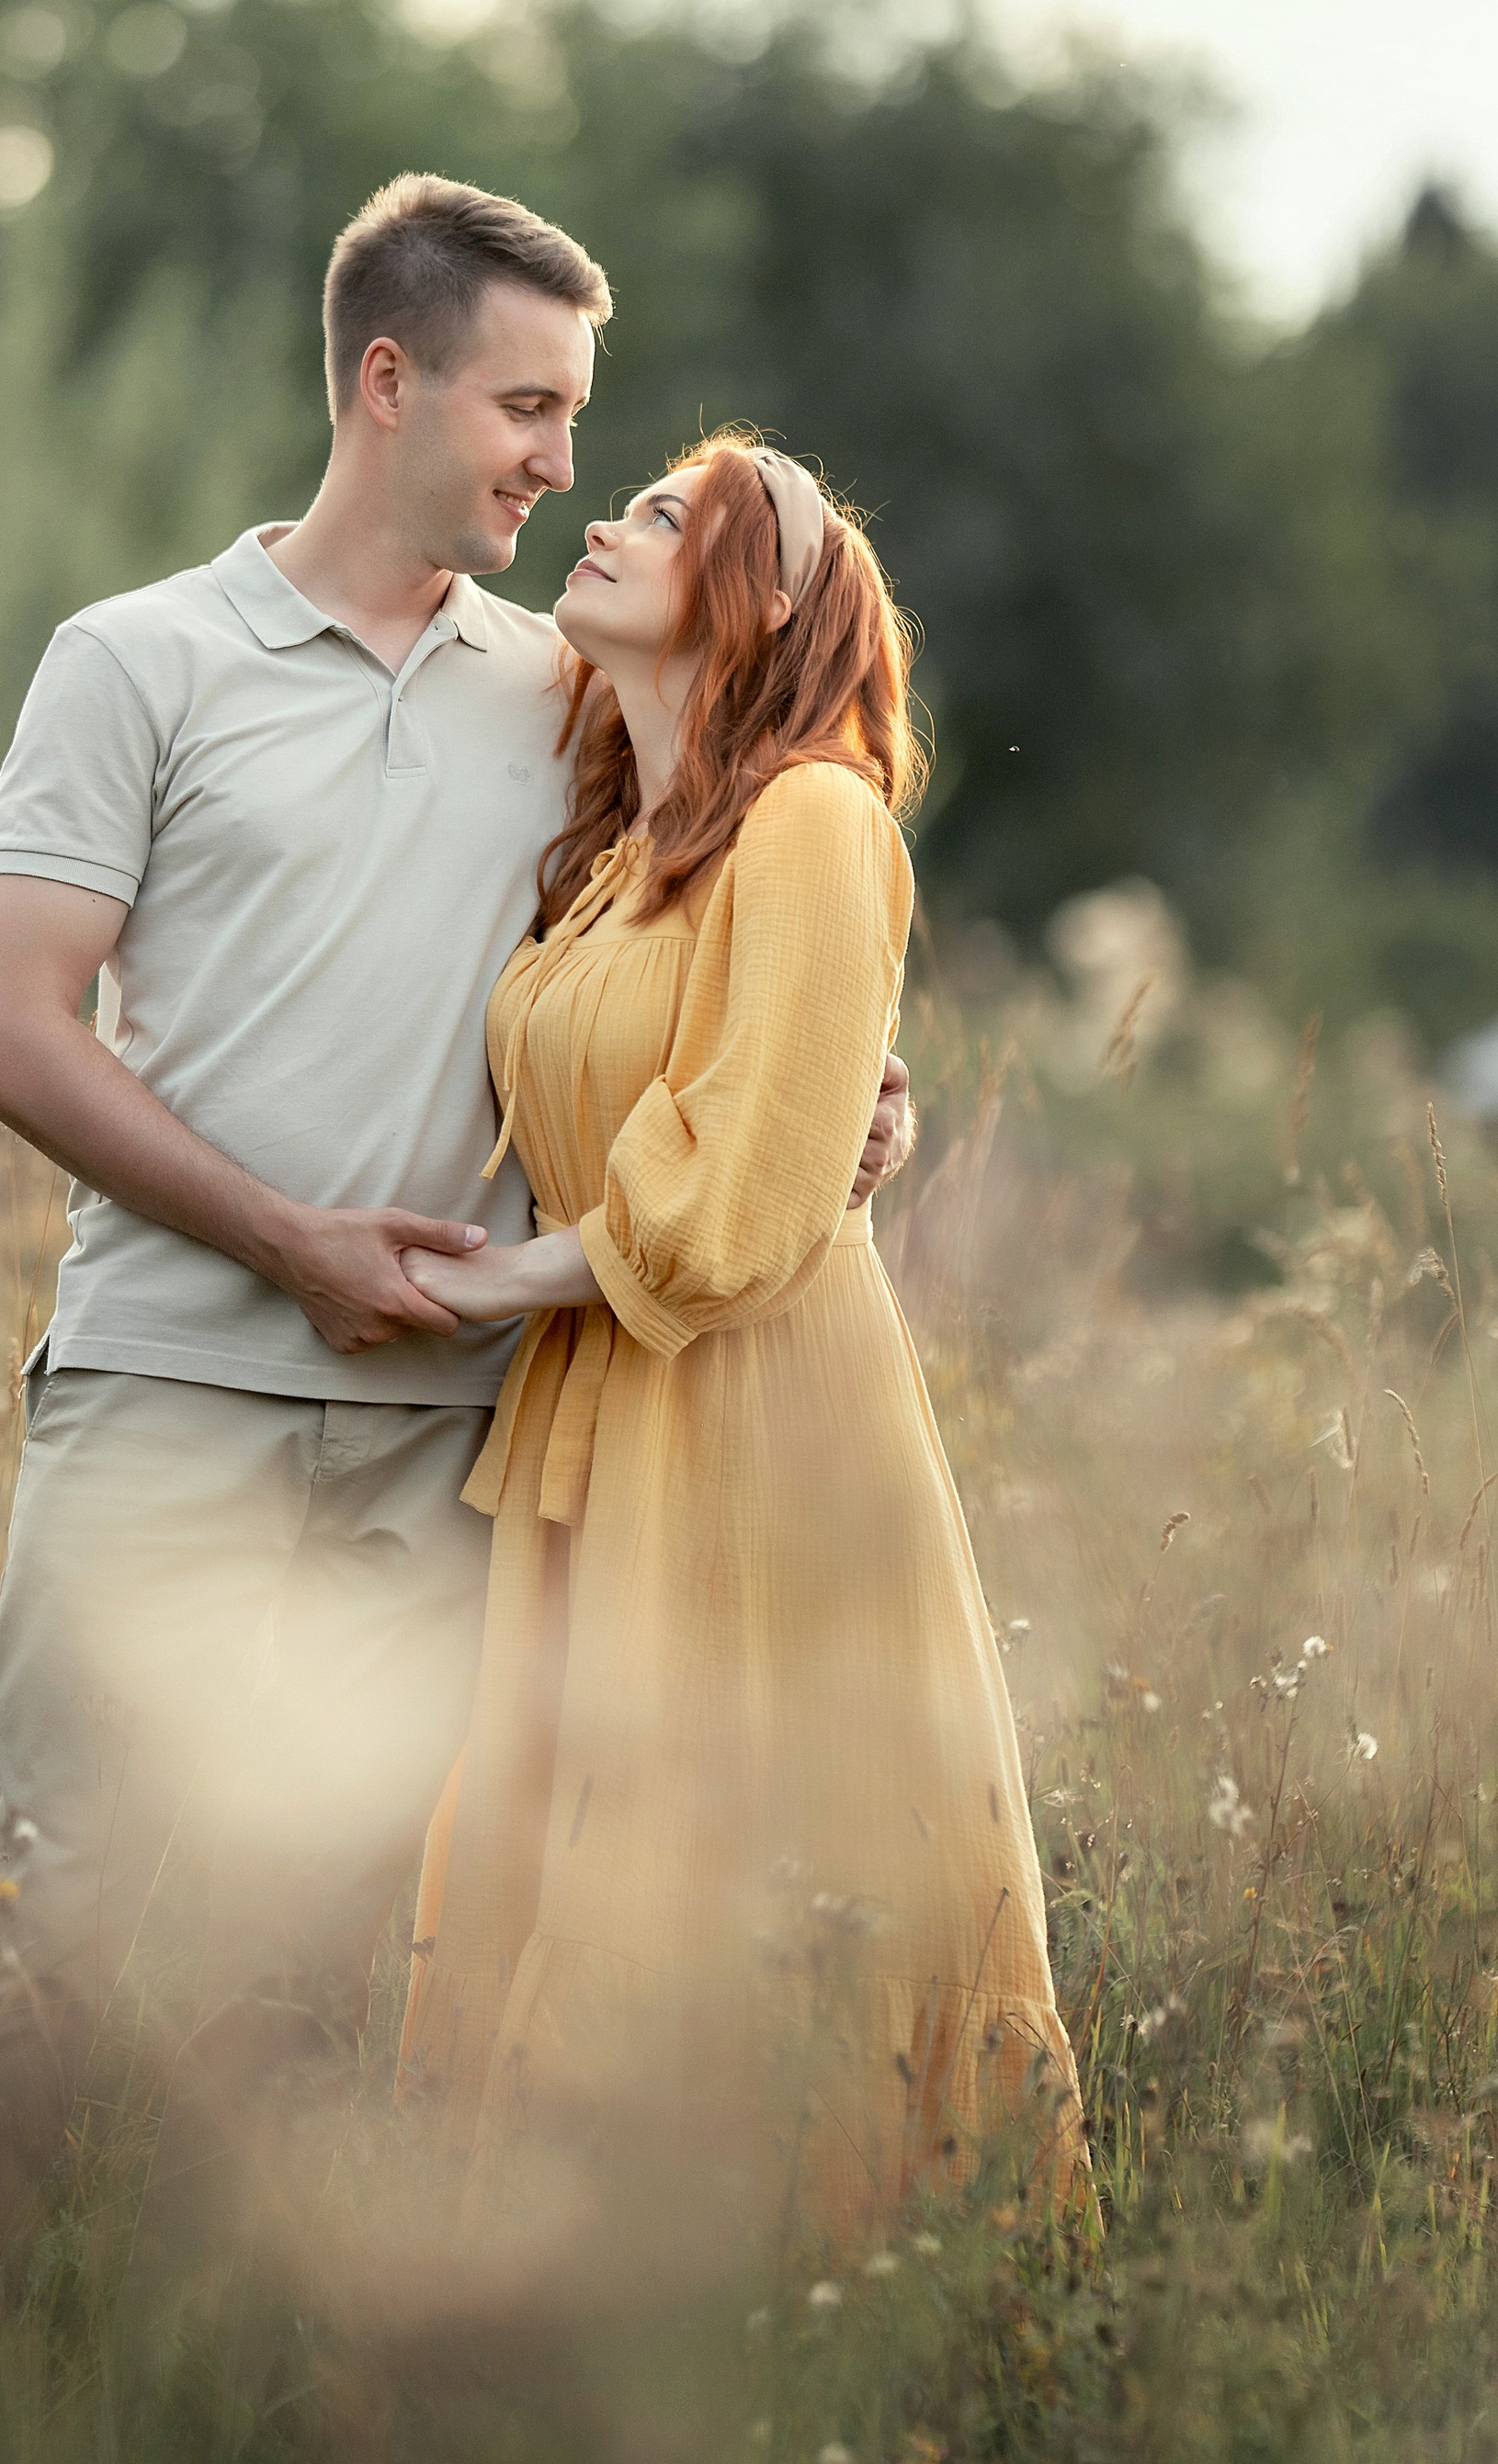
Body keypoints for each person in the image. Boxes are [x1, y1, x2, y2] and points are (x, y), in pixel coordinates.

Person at [0, 179, 911, 2294]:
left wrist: (847, 1107)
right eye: (527, 407)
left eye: (573, 415)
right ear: (384, 380)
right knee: (42, 1911)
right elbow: (3, 1030)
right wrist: (287, 1243)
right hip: (164, 1389)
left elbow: (731, 931)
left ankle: (226, 2368)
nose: (558, 459)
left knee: (335, 1964)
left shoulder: (564, 687)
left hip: (458, 1438)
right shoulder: (135, 660)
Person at [394, 433, 1085, 2249]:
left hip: (751, 1400)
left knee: (725, 1851)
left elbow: (748, 1185)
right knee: (577, 1836)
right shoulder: (616, 853)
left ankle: (820, 2301)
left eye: (665, 514)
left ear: (755, 602)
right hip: (602, 1384)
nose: (604, 517)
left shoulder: (814, 818)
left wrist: (486, 1284)